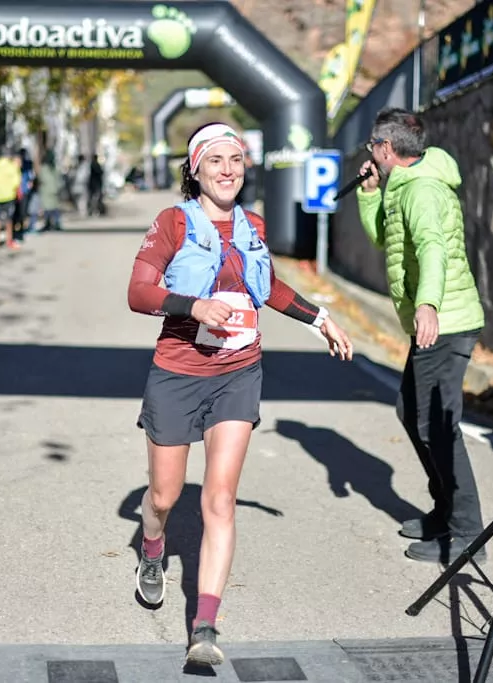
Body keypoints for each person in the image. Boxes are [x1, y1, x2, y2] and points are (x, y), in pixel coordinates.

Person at [127, 121, 354, 666]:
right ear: (196, 169)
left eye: (235, 159)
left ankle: (204, 627)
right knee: (164, 497)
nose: (227, 170)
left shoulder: (253, 225)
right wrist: (194, 306)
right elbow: (138, 292)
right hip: (177, 374)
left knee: (221, 499)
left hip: (238, 372)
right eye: (215, 160)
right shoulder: (173, 223)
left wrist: (319, 318)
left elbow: (266, 286)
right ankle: (153, 549)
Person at [355, 107, 487, 565]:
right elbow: (387, 241)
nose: (371, 152)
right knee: (411, 411)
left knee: (437, 424)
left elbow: (433, 248)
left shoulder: (422, 190)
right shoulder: (403, 185)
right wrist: (369, 194)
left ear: (386, 148)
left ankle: (468, 533)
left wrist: (427, 304)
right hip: (434, 320)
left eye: (373, 145)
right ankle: (446, 511)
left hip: (445, 321)